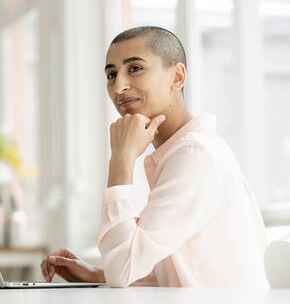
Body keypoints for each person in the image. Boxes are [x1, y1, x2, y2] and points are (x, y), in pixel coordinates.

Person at [40, 26, 270, 288]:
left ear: (177, 77)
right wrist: (96, 274)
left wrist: (121, 158)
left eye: (135, 68)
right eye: (111, 74)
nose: (119, 87)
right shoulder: (179, 151)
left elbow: (122, 271)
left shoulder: (195, 155)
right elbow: (169, 273)